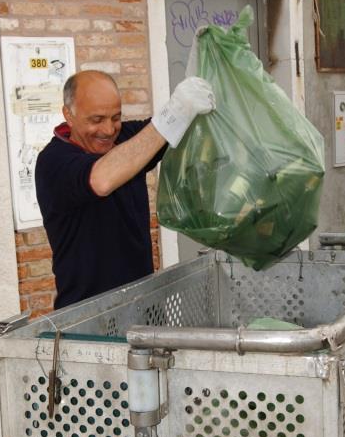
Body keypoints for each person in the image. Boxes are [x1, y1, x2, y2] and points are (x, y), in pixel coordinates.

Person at [35, 69, 215, 308]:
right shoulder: (54, 161)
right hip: (88, 317)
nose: (109, 130)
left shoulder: (124, 138)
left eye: (116, 117)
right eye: (96, 120)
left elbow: (164, 135)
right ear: (69, 115)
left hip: (144, 307)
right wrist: (174, 113)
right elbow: (102, 180)